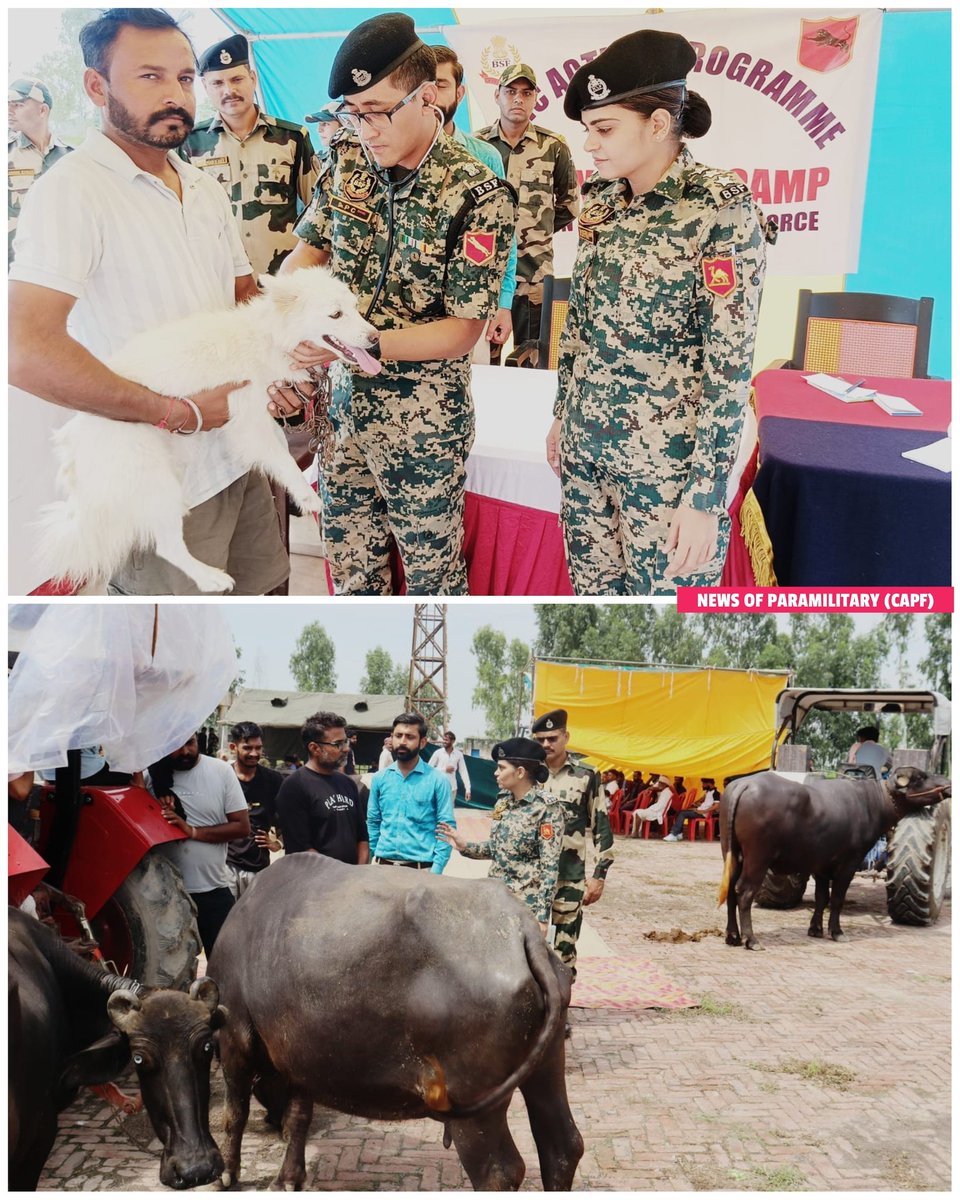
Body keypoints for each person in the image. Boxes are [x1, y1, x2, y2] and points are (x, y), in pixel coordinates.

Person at [7, 8, 310, 596]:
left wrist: (299, 344)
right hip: (159, 475)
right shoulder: (72, 192)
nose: (175, 95)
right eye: (150, 77)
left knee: (262, 612)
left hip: (238, 452)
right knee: (170, 661)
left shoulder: (200, 185)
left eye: (183, 78)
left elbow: (241, 300)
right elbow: (26, 350)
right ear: (97, 86)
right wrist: (174, 412)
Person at [280, 11, 516, 596]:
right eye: (352, 114)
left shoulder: (477, 191)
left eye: (380, 111)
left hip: (423, 425)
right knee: (354, 574)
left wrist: (358, 340)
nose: (366, 129)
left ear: (428, 95)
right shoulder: (349, 165)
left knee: (434, 582)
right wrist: (290, 321)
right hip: (341, 415)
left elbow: (462, 330)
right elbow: (305, 257)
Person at [547, 29, 775, 595]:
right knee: (592, 611)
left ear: (657, 124)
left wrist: (704, 497)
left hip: (666, 469)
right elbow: (581, 322)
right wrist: (561, 413)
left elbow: (729, 367)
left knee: (665, 623)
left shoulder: (720, 208)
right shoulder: (601, 199)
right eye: (587, 131)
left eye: (604, 129)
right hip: (585, 454)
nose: (591, 146)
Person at [184, 34, 319, 278]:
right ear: (205, 87)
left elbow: (318, 210)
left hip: (280, 281)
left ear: (253, 79)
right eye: (217, 83)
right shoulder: (190, 143)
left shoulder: (292, 137)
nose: (229, 90)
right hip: (219, 277)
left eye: (237, 79)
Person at [474, 62, 580, 362]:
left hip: (533, 275)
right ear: (497, 96)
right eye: (510, 92)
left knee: (532, 358)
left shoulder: (553, 146)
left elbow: (570, 205)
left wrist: (536, 231)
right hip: (486, 271)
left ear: (536, 97)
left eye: (526, 92)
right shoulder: (478, 146)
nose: (518, 99)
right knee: (485, 361)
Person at [432, 45, 517, 352]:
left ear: (459, 93)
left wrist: (503, 303)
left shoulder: (483, 157)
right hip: (408, 320)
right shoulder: (392, 155)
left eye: (441, 85)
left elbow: (504, 239)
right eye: (424, 85)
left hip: (470, 311)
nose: (431, 95)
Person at [438, 738, 562, 934]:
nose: (495, 773)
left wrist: (542, 917)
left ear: (520, 772)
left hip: (524, 907)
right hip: (495, 899)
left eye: (501, 768)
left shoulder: (546, 807)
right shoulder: (503, 802)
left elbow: (550, 867)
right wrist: (465, 846)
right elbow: (498, 849)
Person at [150, 733, 250, 957]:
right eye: (176, 745)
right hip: (166, 896)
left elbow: (242, 827)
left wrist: (192, 831)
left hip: (213, 891)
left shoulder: (221, 771)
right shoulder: (152, 777)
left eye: (190, 743)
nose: (185, 751)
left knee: (226, 966)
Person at [531, 709, 613, 978]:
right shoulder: (526, 774)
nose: (546, 744)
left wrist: (599, 875)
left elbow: (601, 825)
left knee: (564, 947)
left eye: (553, 738)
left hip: (569, 876)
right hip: (531, 877)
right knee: (528, 944)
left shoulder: (586, 776)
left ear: (566, 737)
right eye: (541, 739)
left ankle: (562, 1008)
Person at [275, 712, 369, 863]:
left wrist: (357, 873)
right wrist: (339, 876)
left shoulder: (348, 784)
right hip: (314, 881)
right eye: (338, 744)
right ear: (314, 748)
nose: (345, 749)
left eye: (346, 742)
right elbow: (302, 848)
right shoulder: (294, 787)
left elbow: (362, 838)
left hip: (353, 881)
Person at [368, 713, 455, 872]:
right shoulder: (380, 779)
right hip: (382, 869)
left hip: (421, 871)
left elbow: (445, 828)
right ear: (391, 738)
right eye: (398, 735)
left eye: (409, 737)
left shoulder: (437, 780)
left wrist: (435, 872)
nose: (402, 741)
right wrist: (367, 863)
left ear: (422, 742)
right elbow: (373, 822)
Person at [8, 77, 72, 265]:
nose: (8, 110)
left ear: (42, 110)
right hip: (13, 265)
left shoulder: (71, 157)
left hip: (59, 263)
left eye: (18, 105)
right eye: (7, 104)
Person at [224, 721, 283, 898]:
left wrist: (277, 843)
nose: (254, 753)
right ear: (234, 747)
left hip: (259, 867)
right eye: (248, 748)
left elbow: (289, 819)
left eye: (258, 748)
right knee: (226, 921)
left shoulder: (273, 780)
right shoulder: (222, 777)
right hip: (225, 866)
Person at [428, 729, 472, 804]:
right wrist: (444, 769)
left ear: (453, 741)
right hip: (438, 787)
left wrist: (468, 789)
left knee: (449, 812)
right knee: (437, 811)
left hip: (452, 788)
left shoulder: (458, 754)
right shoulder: (438, 753)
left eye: (446, 740)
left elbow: (463, 772)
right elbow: (428, 769)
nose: (444, 742)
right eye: (444, 740)